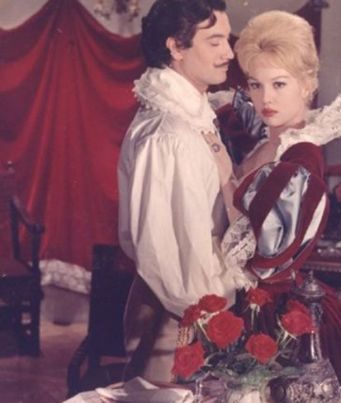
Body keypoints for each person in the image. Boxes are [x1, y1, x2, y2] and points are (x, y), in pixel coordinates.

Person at [207, 10, 341, 394]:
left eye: (279, 84)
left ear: (307, 85)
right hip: (251, 302)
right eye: (256, 85)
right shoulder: (267, 141)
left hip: (283, 315)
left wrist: (224, 177)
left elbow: (264, 253)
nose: (266, 98)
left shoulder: (302, 156)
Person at [118, 0, 248, 383]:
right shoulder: (168, 134)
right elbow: (160, 250)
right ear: (176, 46)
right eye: (215, 41)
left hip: (192, 302)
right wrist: (203, 313)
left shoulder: (190, 117)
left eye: (227, 40)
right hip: (175, 312)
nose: (229, 53)